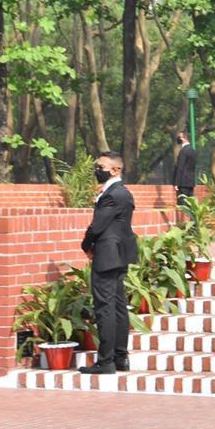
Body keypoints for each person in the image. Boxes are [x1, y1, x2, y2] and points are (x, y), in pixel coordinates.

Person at [78, 151, 138, 374]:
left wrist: (86, 246)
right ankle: (120, 358)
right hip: (119, 254)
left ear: (115, 170)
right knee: (118, 306)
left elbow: (97, 225)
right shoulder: (120, 192)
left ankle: (106, 361)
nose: (96, 170)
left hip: (107, 255)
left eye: (100, 166)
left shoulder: (114, 194)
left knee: (105, 308)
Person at [173, 130, 197, 210]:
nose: (178, 139)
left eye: (179, 137)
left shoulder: (183, 151)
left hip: (182, 182)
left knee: (182, 204)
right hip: (191, 181)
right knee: (190, 203)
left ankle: (183, 221)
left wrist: (176, 183)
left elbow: (180, 167)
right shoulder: (193, 151)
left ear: (183, 138)